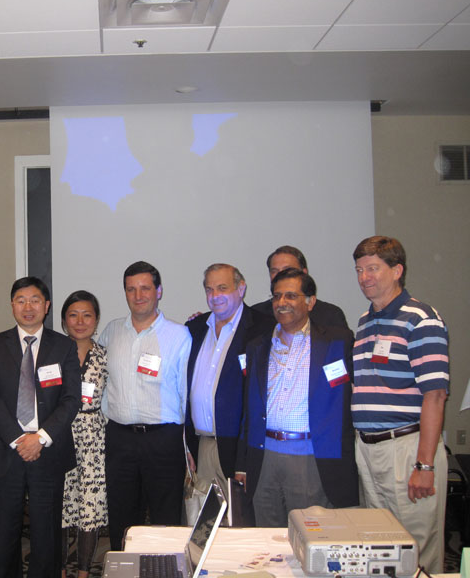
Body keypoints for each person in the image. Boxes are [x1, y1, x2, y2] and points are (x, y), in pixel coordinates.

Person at [351, 236, 449, 573]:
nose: (364, 277)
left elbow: (435, 396)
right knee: (380, 549)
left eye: (373, 268)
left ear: (397, 271)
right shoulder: (365, 321)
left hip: (407, 449)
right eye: (359, 270)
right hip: (369, 450)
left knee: (416, 550)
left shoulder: (421, 319)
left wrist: (424, 465)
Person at [236, 268, 358, 526]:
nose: (282, 302)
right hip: (264, 458)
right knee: (266, 536)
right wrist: (243, 463)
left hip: (311, 458)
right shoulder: (257, 346)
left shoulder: (338, 342)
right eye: (277, 296)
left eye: (291, 296)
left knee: (311, 535)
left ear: (310, 302)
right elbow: (249, 409)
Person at [0, 277, 81, 578]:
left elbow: (71, 399)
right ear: (12, 305)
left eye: (35, 300)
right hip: (6, 451)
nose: (28, 307)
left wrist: (40, 438)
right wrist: (18, 439)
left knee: (46, 533)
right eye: (20, 300)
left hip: (47, 451)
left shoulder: (63, 346)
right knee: (4, 533)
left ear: (46, 306)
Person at [98, 261, 191, 551]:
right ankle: (124, 567)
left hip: (164, 440)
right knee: (122, 518)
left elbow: (185, 393)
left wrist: (187, 447)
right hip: (120, 439)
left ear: (158, 291)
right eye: (131, 289)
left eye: (145, 288)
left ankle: (166, 567)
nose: (138, 296)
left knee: (166, 518)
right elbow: (100, 382)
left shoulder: (179, 335)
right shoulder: (111, 332)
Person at [185, 264, 274, 517]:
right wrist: (187, 446)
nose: (215, 296)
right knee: (204, 523)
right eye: (209, 289)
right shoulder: (195, 328)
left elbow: (260, 399)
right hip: (202, 446)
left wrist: (245, 461)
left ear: (241, 289)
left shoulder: (263, 329)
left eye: (222, 288)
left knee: (240, 523)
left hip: (238, 450)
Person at [59, 291, 108, 578]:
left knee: (91, 506)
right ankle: (60, 569)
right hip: (59, 435)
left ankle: (84, 571)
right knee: (61, 505)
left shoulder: (105, 356)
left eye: (87, 315)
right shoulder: (53, 353)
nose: (80, 321)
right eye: (73, 315)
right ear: (64, 319)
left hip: (94, 439)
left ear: (96, 320)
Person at [252, 245, 349, 330]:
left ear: (304, 273)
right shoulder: (255, 315)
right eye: (274, 271)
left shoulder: (330, 315)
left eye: (288, 269)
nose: (281, 275)